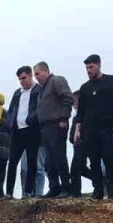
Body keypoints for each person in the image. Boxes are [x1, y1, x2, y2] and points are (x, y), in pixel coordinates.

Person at [73, 54, 113, 200]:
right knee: (93, 161)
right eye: (87, 68)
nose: (89, 70)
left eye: (91, 67)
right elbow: (80, 112)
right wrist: (77, 130)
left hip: (107, 128)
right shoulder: (84, 88)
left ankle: (112, 190)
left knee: (108, 159)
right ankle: (98, 191)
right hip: (89, 130)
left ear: (99, 65)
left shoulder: (112, 81)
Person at [34, 62, 75, 198]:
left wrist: (64, 118)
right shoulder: (42, 89)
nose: (36, 77)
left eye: (37, 74)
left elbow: (68, 98)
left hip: (57, 125)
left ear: (46, 71)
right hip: (45, 127)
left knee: (59, 157)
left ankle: (66, 187)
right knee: (49, 160)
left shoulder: (57, 81)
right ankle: (54, 187)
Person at [6, 66, 42, 199]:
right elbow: (11, 111)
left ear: (31, 75)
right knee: (13, 162)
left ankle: (28, 192)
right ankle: (9, 193)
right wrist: (10, 124)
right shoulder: (17, 93)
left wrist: (32, 118)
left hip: (32, 131)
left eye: (24, 78)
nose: (21, 81)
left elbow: (41, 108)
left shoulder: (39, 90)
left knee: (32, 162)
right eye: (19, 79)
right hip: (17, 132)